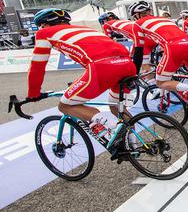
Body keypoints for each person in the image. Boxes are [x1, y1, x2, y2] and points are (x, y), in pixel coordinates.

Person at [27, 9, 136, 143]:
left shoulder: (44, 33)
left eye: (41, 26)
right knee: (116, 106)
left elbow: (37, 66)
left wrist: (33, 93)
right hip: (127, 64)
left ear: (45, 25)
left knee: (65, 105)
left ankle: (112, 125)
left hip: (103, 67)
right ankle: (133, 142)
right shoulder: (84, 29)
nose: (41, 28)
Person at [128, 1, 188, 114]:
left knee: (161, 82)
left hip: (173, 48)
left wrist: (135, 72)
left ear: (136, 15)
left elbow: (138, 50)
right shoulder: (165, 19)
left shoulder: (137, 24)